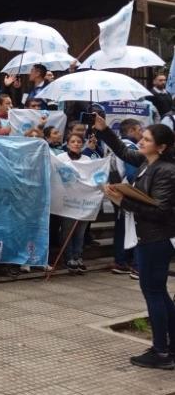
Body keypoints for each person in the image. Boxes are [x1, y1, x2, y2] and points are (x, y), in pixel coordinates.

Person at [95, 115, 175, 370]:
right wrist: (104, 129)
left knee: (154, 293)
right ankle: (169, 346)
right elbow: (122, 150)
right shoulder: (146, 162)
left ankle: (161, 351)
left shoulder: (166, 171)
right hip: (147, 237)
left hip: (156, 239)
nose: (141, 141)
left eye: (147, 139)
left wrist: (122, 200)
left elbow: (161, 211)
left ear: (161, 147)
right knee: (158, 293)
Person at [107, 118, 143, 278]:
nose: (141, 134)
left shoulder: (115, 146)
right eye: (139, 130)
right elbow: (131, 173)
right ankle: (134, 265)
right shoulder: (129, 147)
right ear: (131, 131)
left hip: (118, 190)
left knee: (122, 226)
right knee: (132, 228)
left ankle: (121, 261)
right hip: (128, 192)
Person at [56, 133, 91, 274]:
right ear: (67, 144)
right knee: (67, 231)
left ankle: (78, 256)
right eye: (73, 141)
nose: (76, 144)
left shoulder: (87, 159)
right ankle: (68, 257)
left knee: (80, 233)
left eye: (79, 141)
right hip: (68, 201)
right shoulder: (60, 158)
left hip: (84, 201)